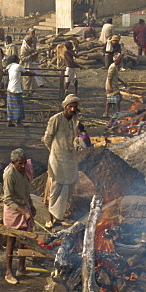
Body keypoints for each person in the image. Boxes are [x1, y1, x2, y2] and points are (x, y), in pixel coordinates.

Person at [43, 95, 82, 226]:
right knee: (55, 187)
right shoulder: (56, 119)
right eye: (70, 107)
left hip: (70, 158)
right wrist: (54, 151)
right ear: (65, 107)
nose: (72, 109)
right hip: (57, 158)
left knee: (68, 187)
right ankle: (50, 217)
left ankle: (60, 216)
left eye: (74, 107)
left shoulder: (74, 120)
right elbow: (48, 138)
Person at [2, 148, 35, 285]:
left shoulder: (25, 170)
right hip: (13, 210)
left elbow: (26, 191)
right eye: (19, 164)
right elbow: (7, 199)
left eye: (23, 163)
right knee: (11, 241)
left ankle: (21, 268)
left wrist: (31, 206)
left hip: (24, 207)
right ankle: (9, 272)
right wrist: (23, 211)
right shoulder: (10, 175)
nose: (22, 166)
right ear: (13, 163)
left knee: (24, 240)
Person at [6, 55, 27, 126]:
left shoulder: (10, 67)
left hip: (10, 88)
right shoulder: (18, 66)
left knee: (10, 106)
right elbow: (25, 72)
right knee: (18, 105)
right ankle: (18, 121)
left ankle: (10, 120)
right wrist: (33, 73)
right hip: (16, 88)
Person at [104, 51, 124, 117]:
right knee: (116, 98)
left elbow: (116, 76)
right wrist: (110, 87)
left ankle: (106, 113)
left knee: (110, 99)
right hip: (111, 85)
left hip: (113, 84)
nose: (121, 60)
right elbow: (109, 77)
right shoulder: (112, 67)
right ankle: (117, 112)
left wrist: (122, 82)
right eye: (120, 59)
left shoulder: (115, 66)